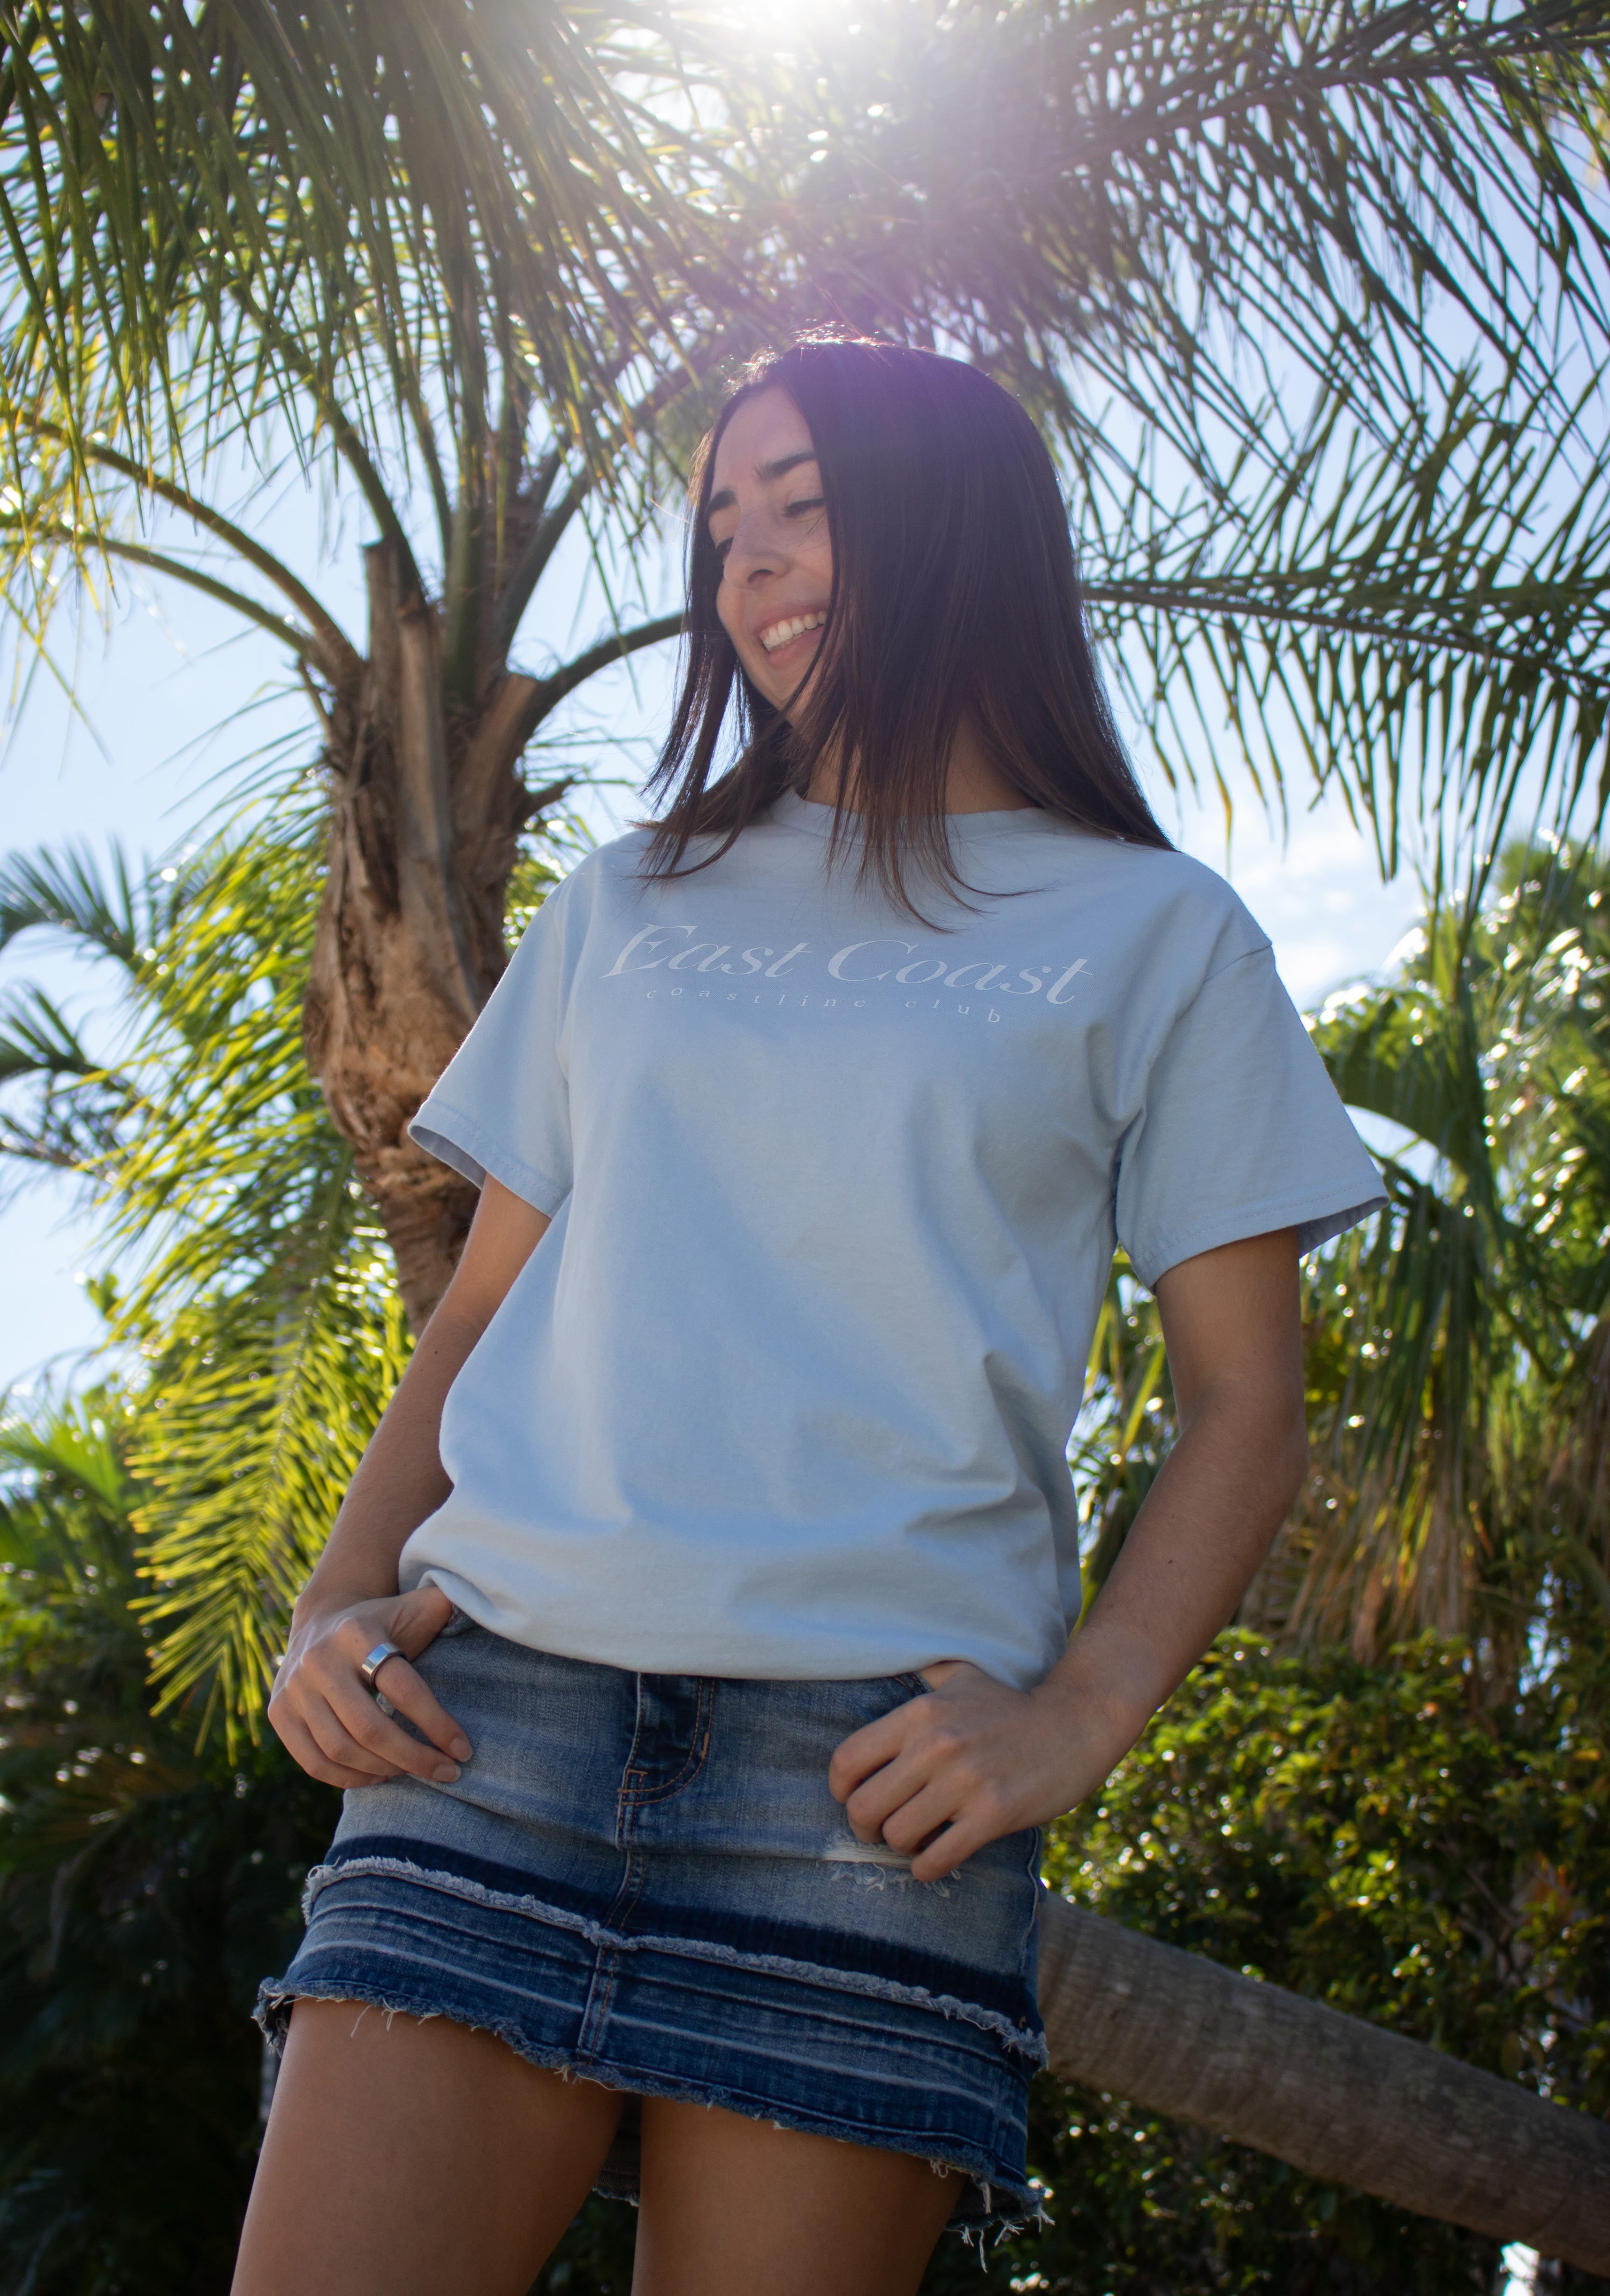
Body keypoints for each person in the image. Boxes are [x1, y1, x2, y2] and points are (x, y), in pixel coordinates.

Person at [235, 336, 1384, 2296]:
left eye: (806, 506)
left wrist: (1083, 1714)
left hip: (866, 1799)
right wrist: (327, 1610)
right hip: (480, 1732)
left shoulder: (1156, 935)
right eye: (720, 522)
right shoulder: (631, 900)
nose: (751, 565)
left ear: (958, 534)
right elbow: (480, 1314)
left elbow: (1242, 1410)